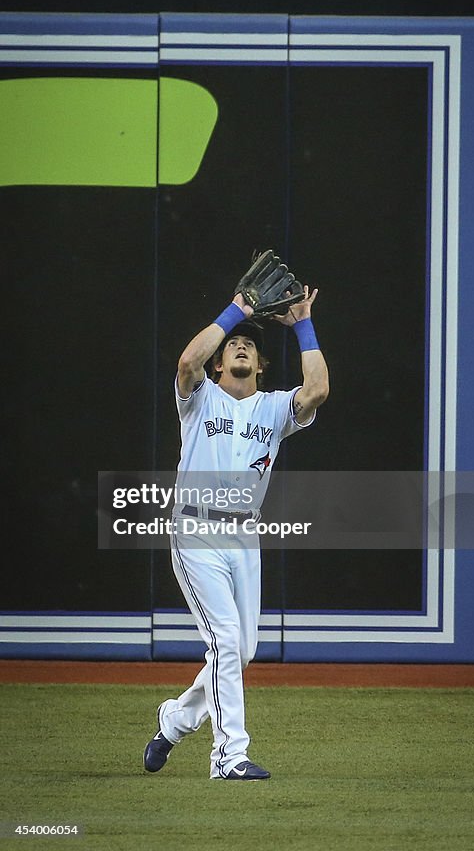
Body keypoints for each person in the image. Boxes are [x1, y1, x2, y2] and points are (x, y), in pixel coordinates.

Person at [143, 283, 329, 780]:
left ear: (261, 365)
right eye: (231, 345)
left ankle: (176, 720)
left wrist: (303, 325)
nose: (241, 345)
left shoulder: (273, 407)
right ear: (220, 364)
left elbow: (316, 391)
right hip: (196, 529)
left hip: (244, 537)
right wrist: (236, 312)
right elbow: (186, 363)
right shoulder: (199, 398)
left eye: (249, 343)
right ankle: (229, 757)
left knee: (241, 650)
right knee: (226, 640)